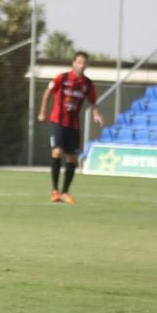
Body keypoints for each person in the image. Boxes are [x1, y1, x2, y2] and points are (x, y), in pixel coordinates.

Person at [37, 50, 104, 204]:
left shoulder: (87, 84)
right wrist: (42, 112)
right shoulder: (62, 78)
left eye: (84, 63)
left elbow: (93, 102)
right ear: (73, 63)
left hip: (73, 125)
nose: (81, 65)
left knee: (72, 157)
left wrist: (96, 114)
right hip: (57, 121)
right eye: (79, 62)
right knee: (57, 151)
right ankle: (55, 191)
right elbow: (48, 93)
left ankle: (65, 192)